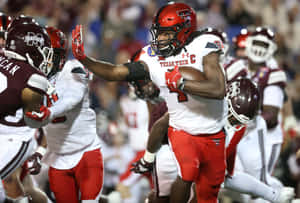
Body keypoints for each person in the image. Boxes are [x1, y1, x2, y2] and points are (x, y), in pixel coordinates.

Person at [71, 2, 227, 202]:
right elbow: (114, 72)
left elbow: (218, 89)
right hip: (181, 130)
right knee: (185, 176)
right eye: (159, 33)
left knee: (208, 193)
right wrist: (85, 59)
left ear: (184, 30)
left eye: (166, 33)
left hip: (213, 129)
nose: (160, 39)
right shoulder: (151, 57)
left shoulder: (204, 44)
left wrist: (182, 83)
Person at [25, 26, 105, 203]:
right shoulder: (31, 80)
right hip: (57, 156)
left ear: (58, 56)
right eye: (36, 53)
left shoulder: (72, 68)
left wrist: (49, 112)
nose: (39, 59)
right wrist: (37, 151)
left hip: (86, 151)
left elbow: (72, 98)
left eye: (45, 53)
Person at [225, 27, 288, 201]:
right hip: (238, 130)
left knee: (259, 181)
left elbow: (271, 114)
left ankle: (281, 196)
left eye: (263, 44)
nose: (259, 48)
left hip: (264, 134)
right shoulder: (236, 66)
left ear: (271, 48)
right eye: (257, 42)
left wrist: (244, 117)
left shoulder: (274, 73)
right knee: (233, 177)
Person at [0, 15, 54, 203]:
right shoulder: (34, 79)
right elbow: (35, 117)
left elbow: (32, 119)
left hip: (13, 138)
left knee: (13, 183)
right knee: (14, 185)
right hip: (12, 134)